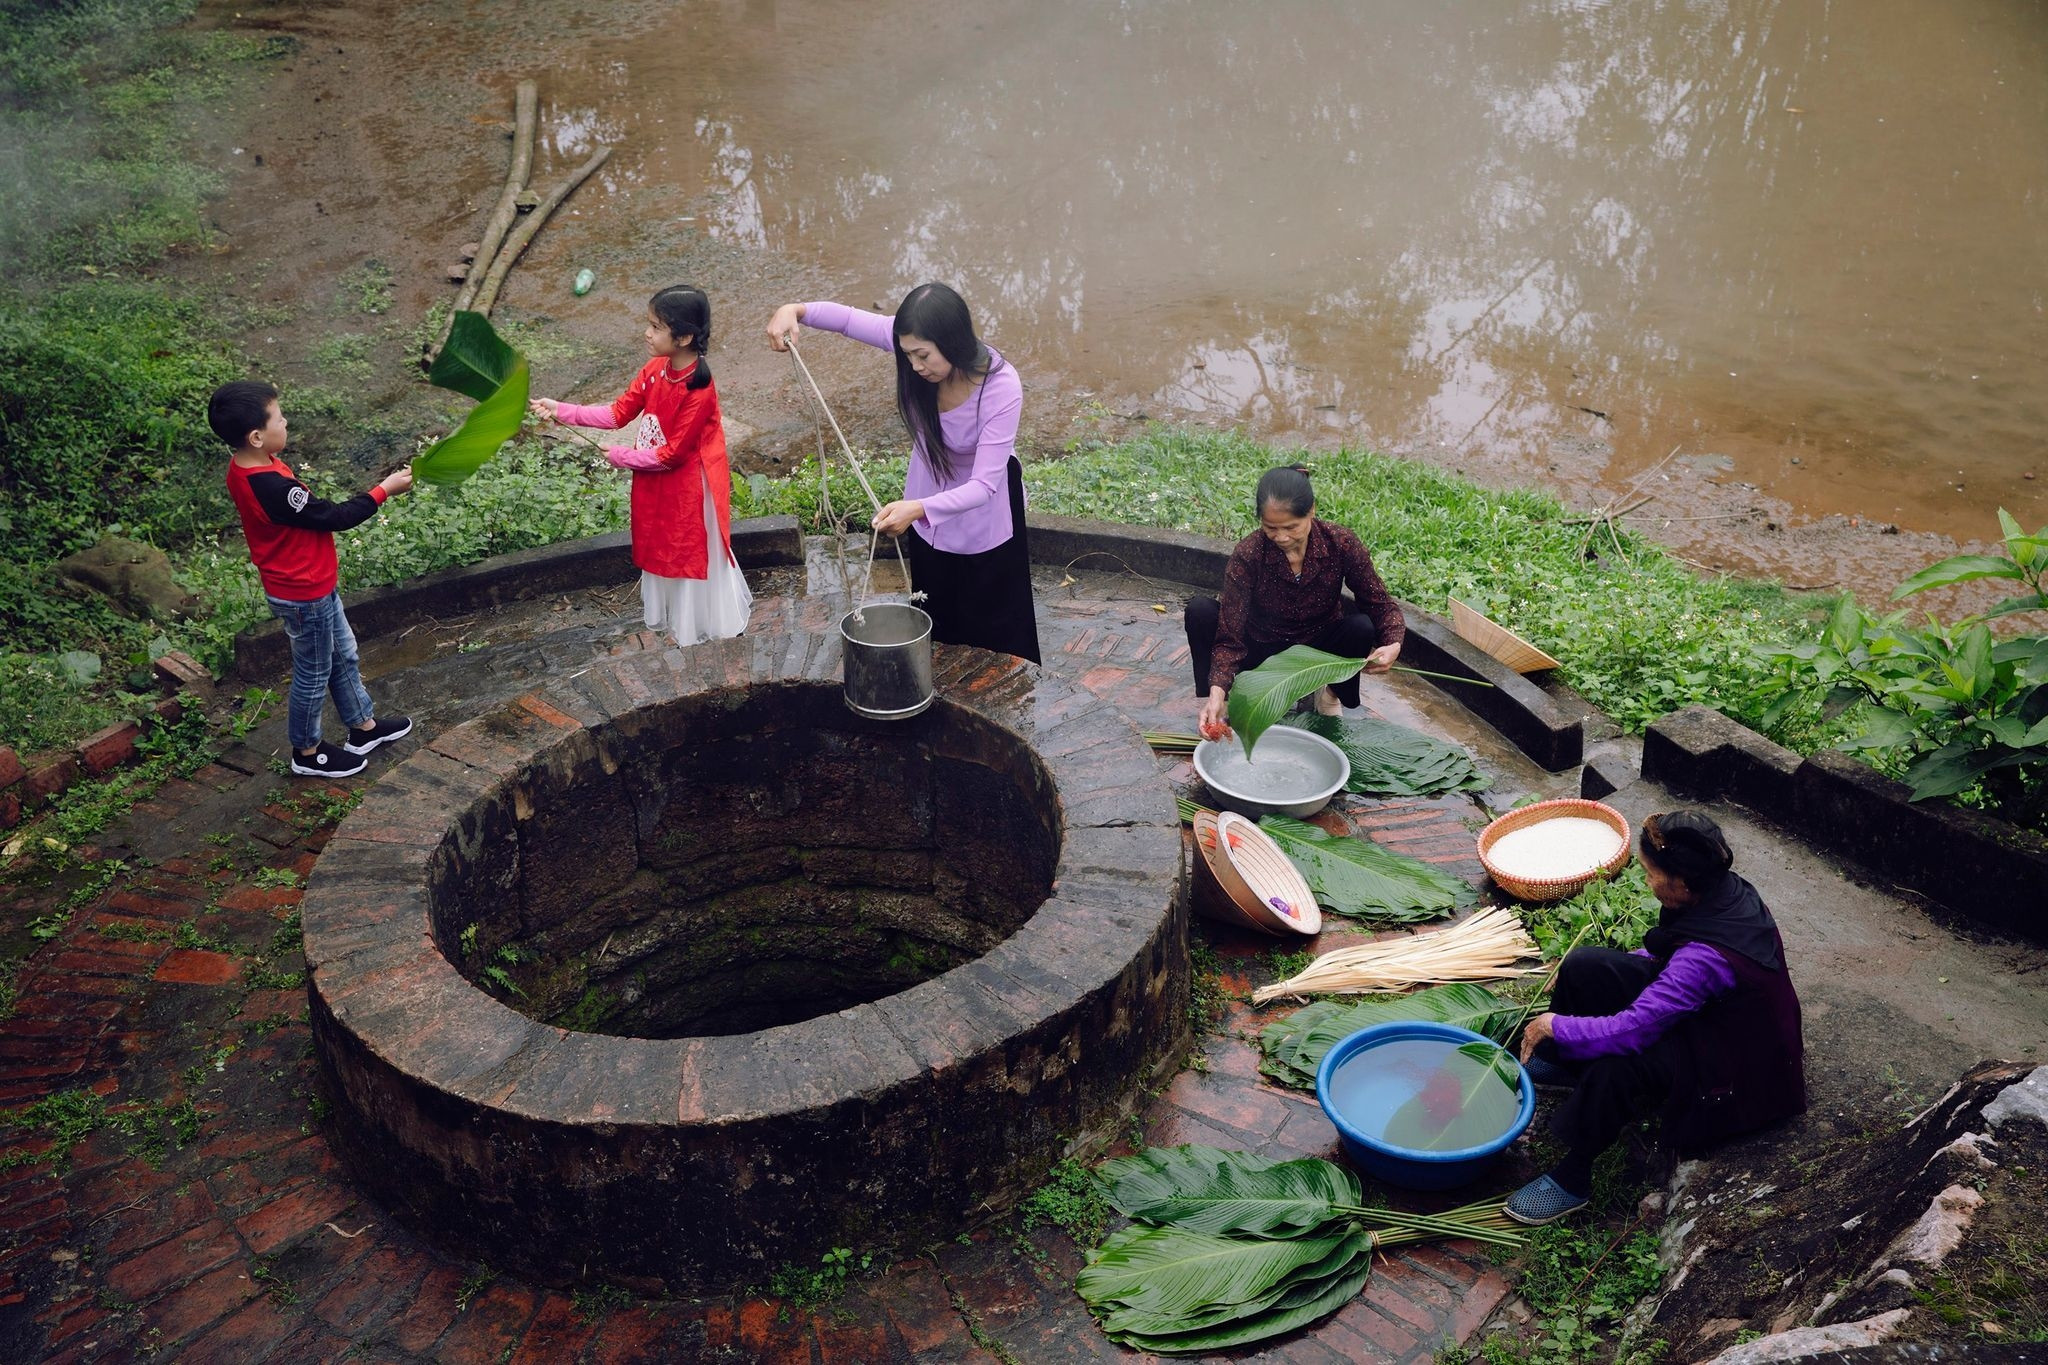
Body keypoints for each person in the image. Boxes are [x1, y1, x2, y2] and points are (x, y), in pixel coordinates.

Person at [1508, 810, 1807, 1224]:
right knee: (1585, 964)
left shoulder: (1704, 959)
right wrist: (1599, 974)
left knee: (1617, 1066)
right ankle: (1566, 1064)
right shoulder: (1717, 890)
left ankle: (1574, 1176)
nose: (1647, 882)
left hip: (1733, 1057)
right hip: (1712, 1012)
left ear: (1681, 881)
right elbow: (1667, 957)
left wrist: (1554, 1024)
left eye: (1650, 873)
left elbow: (1630, 1030)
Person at [764, 284, 1041, 663]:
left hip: (983, 509)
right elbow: (846, 320)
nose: (914, 366)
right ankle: (937, 677)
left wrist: (918, 509)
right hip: (927, 495)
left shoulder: (1000, 385)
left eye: (923, 356)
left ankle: (1000, 686)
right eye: (908, 354)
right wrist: (792, 307)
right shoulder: (912, 345)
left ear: (954, 342)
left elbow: (983, 485)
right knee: (935, 604)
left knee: (990, 617)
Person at [211, 381, 414, 779]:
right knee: (314, 672)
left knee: (343, 654)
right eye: (279, 417)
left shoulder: (250, 463)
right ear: (256, 435)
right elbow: (335, 517)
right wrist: (384, 490)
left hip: (313, 583)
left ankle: (363, 728)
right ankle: (306, 751)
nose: (285, 421)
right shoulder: (271, 487)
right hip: (303, 593)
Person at [531, 285, 751, 646]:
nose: (647, 334)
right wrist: (561, 410)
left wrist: (621, 457)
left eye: (655, 326)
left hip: (689, 487)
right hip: (658, 478)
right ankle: (678, 623)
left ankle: (696, 624)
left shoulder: (699, 391)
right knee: (662, 542)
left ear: (683, 337)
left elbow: (672, 455)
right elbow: (618, 413)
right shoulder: (655, 369)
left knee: (686, 549)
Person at [1186, 465, 1404, 736]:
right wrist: (1216, 691)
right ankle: (1227, 702)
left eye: (1291, 527)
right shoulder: (1249, 554)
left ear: (1311, 510)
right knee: (1200, 612)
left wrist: (1393, 643)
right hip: (1261, 650)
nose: (1282, 537)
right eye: (1271, 528)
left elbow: (1379, 603)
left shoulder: (1340, 543)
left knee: (1360, 627)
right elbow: (1230, 635)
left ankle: (1328, 696)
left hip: (1315, 654)